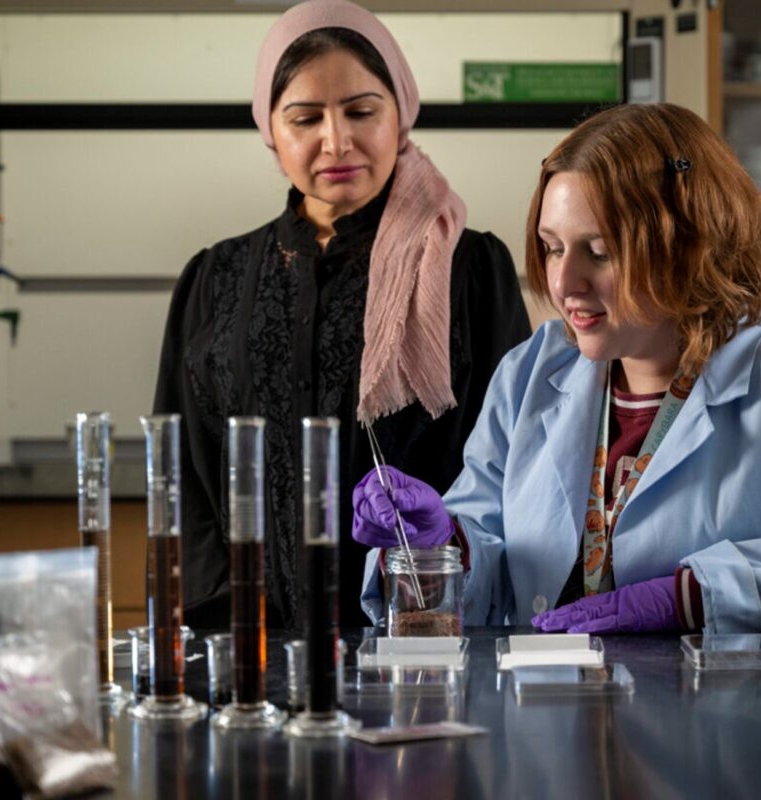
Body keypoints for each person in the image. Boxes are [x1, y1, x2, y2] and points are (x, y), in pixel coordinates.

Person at [351, 102, 761, 635]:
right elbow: (491, 568)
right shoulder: (532, 372)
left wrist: (699, 597)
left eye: (599, 251)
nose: (563, 283)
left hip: (732, 710)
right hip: (549, 707)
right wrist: (439, 549)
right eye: (553, 247)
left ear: (689, 246)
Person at [154, 0, 531, 629]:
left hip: (420, 632)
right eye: (305, 118)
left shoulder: (468, 267)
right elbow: (184, 474)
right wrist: (221, 624)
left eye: (361, 111)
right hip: (250, 641)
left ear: (400, 114)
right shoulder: (215, 278)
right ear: (271, 129)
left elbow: (512, 464)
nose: (337, 141)